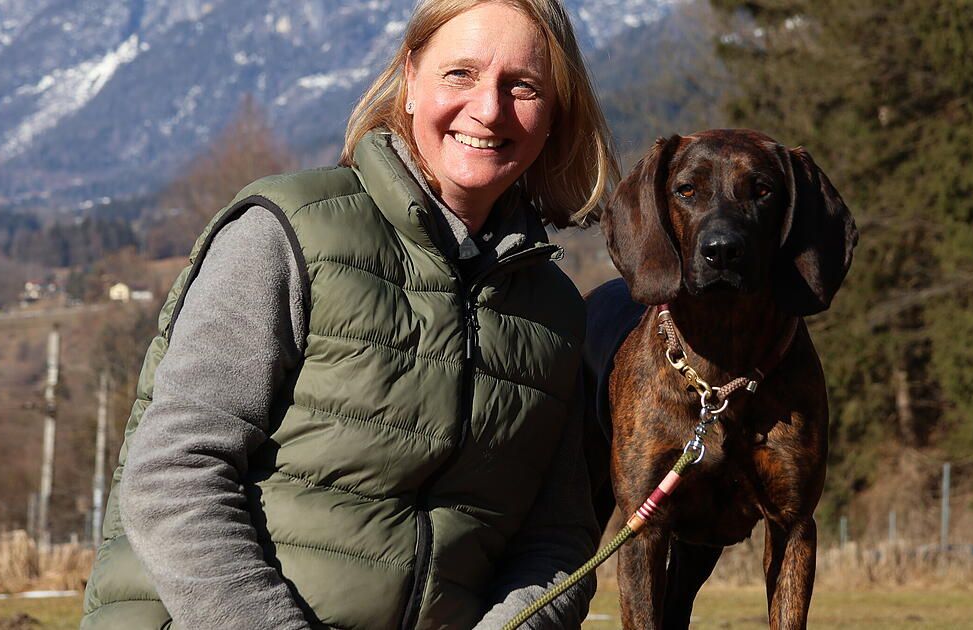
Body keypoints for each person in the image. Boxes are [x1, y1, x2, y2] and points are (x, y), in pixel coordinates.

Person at [80, 1, 618, 628]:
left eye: (522, 86)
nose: (489, 109)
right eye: (461, 74)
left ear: (556, 113)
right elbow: (173, 473)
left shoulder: (552, 311)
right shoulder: (288, 234)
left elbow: (555, 543)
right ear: (411, 79)